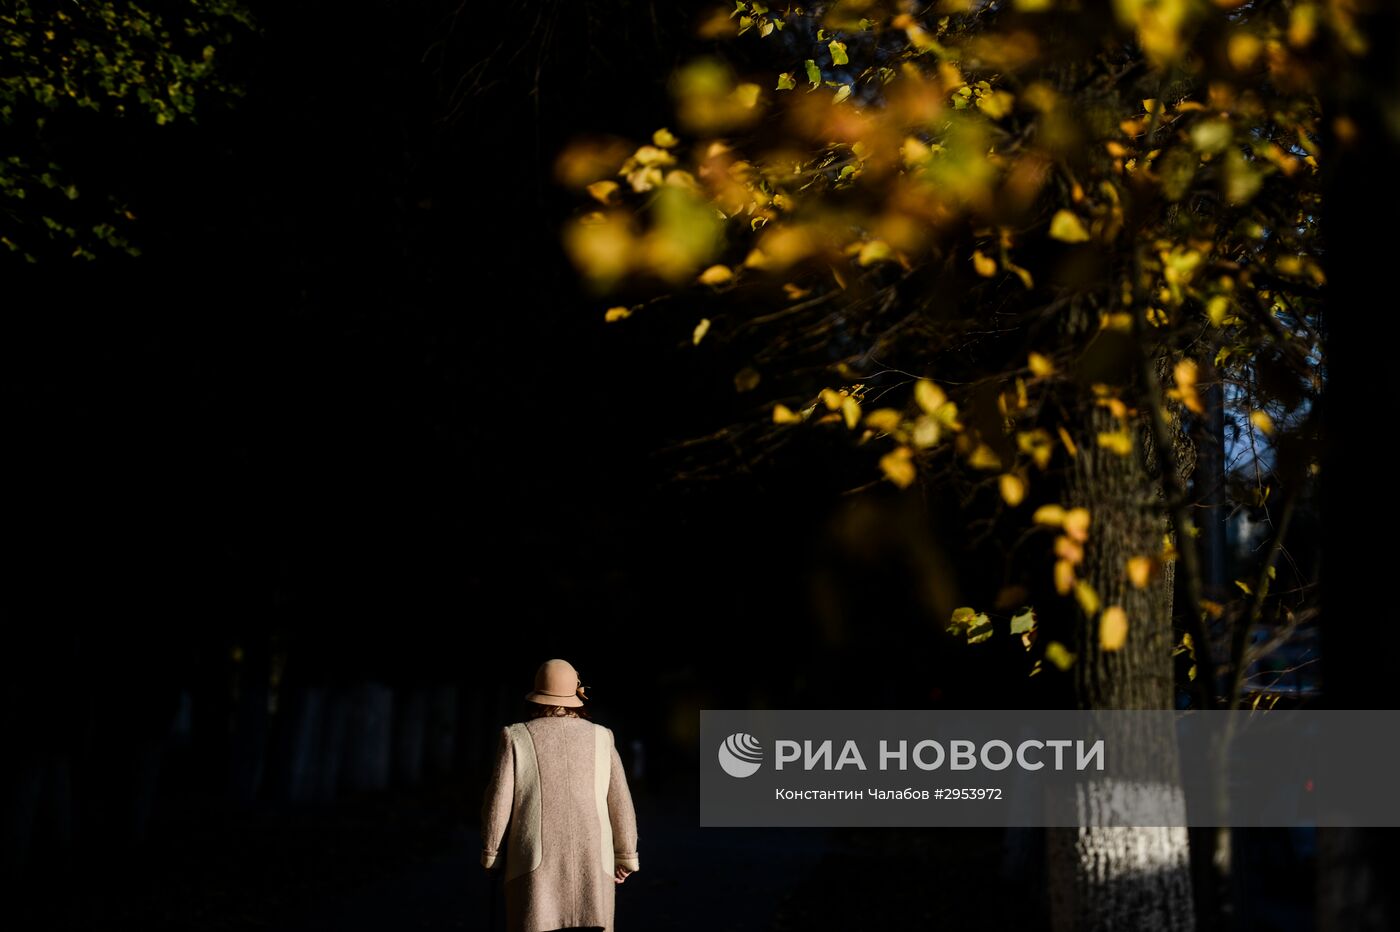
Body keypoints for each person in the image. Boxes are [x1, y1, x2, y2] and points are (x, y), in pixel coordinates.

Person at [481, 659, 640, 932]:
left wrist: (492, 854)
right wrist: (626, 856)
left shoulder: (516, 736)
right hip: (594, 861)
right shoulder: (602, 737)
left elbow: (498, 803)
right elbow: (620, 802)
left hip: (533, 864)